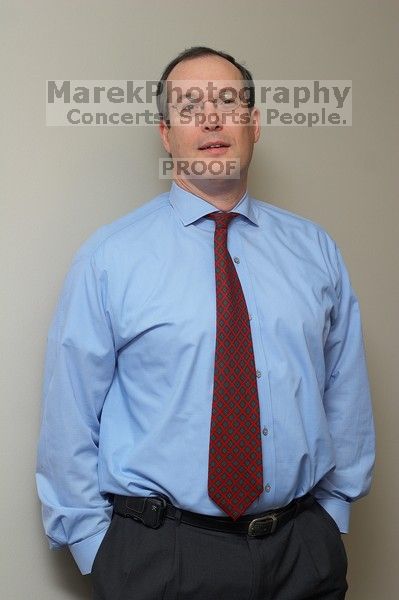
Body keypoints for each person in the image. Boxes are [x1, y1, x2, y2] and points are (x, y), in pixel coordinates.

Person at [36, 46, 376, 600]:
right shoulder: (110, 259)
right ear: (166, 134)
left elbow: (347, 393)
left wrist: (332, 520)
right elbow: (69, 418)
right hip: (160, 559)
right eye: (190, 106)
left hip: (302, 554)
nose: (212, 119)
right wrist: (100, 550)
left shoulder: (316, 251)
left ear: (255, 123)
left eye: (228, 102)